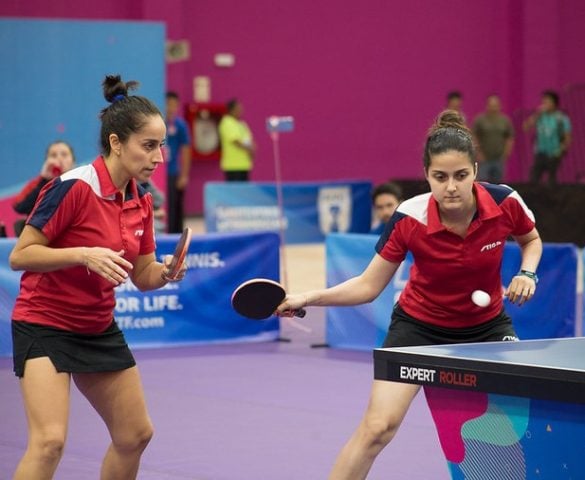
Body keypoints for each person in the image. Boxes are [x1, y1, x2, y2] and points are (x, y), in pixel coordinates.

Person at [276, 110, 542, 480]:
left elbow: (530, 239)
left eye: (461, 175)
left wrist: (527, 271)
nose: (451, 187)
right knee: (377, 428)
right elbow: (368, 287)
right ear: (427, 175)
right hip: (419, 329)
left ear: (476, 172)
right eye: (440, 177)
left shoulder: (505, 202)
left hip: (487, 328)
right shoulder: (409, 217)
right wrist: (306, 298)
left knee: (521, 423)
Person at [8, 74, 187, 480]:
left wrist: (167, 273)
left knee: (135, 434)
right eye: (149, 146)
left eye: (162, 146)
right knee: (49, 442)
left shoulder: (141, 199)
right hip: (45, 324)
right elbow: (21, 255)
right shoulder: (72, 187)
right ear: (116, 143)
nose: (159, 157)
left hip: (96, 325)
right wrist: (83, 255)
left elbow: (142, 274)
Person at [12, 140, 76, 236]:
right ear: (46, 162)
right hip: (40, 238)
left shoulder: (81, 183)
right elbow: (19, 207)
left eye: (64, 154)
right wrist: (43, 179)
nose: (59, 159)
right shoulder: (39, 182)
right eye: (53, 155)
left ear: (73, 162)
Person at [523, 89, 572, 185]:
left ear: (554, 103)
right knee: (534, 178)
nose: (544, 104)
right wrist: (537, 114)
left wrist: (561, 150)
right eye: (543, 101)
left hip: (554, 153)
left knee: (552, 179)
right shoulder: (540, 116)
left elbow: (567, 138)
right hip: (540, 152)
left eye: (547, 101)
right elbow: (526, 127)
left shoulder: (561, 118)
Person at [472, 94, 515, 183]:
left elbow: (510, 137)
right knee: (483, 184)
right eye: (491, 105)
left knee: (498, 184)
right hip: (484, 159)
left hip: (499, 159)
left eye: (495, 105)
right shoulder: (480, 120)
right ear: (487, 106)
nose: (493, 108)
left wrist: (506, 153)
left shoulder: (505, 121)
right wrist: (478, 152)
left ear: (499, 106)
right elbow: (473, 136)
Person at [165, 91, 191, 233]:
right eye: (168, 104)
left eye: (173, 105)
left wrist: (184, 175)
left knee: (175, 208)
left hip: (173, 172)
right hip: (158, 173)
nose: (170, 108)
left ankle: (176, 237)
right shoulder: (157, 123)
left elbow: (186, 150)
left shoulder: (180, 125)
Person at [218, 98, 256, 181]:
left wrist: (253, 149)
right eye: (238, 109)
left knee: (244, 191)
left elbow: (249, 139)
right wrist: (250, 148)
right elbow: (235, 141)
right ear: (231, 110)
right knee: (234, 191)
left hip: (245, 164)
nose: (240, 111)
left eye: (241, 109)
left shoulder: (242, 124)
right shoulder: (226, 122)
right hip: (233, 166)